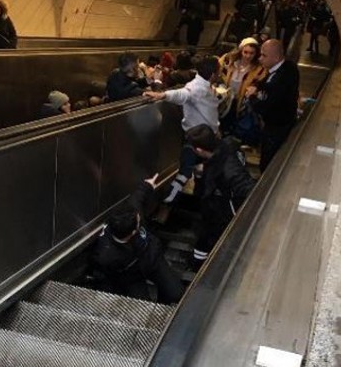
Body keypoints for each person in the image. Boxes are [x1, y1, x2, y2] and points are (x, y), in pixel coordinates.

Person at [92, 174, 184, 304]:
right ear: (134, 231)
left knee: (175, 292)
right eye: (138, 221)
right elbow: (107, 276)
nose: (139, 216)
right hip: (131, 275)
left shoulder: (129, 215)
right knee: (142, 304)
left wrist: (148, 185)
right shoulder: (106, 254)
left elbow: (137, 198)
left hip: (152, 259)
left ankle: (162, 305)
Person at [144, 55, 221, 206]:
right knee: (187, 169)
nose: (219, 74)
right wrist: (162, 95)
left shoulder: (204, 84)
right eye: (218, 72)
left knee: (199, 170)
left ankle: (197, 195)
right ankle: (169, 199)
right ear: (213, 74)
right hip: (197, 138)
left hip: (207, 136)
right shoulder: (197, 87)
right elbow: (183, 94)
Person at [185, 125, 256, 268]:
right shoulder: (226, 147)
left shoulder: (228, 169)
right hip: (216, 203)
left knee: (208, 236)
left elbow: (247, 189)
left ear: (199, 150)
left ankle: (198, 264)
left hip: (223, 210)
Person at [244, 39, 300, 172]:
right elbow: (266, 83)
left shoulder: (284, 76)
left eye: (264, 55)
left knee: (268, 161)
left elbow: (265, 106)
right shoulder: (283, 67)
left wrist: (251, 96)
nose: (260, 58)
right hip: (274, 124)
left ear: (276, 57)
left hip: (277, 127)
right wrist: (257, 86)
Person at [220, 38, 268, 144]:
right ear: (241, 50)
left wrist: (254, 90)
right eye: (245, 52)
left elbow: (261, 85)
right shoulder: (229, 61)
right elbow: (217, 72)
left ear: (256, 54)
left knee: (236, 127)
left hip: (241, 104)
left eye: (251, 53)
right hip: (226, 100)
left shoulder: (259, 69)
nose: (247, 56)